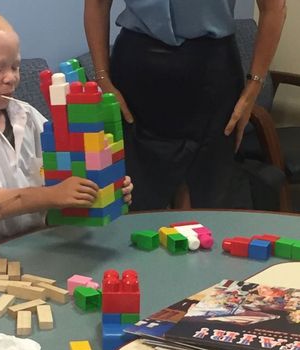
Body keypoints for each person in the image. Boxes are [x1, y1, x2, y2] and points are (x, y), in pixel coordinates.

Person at [0, 5, 133, 257]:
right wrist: (53, 196)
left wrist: (104, 186)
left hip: (42, 243)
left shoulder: (26, 114)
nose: (11, 77)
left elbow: (64, 168)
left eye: (15, 67)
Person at [84, 0, 286, 210]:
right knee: (136, 199)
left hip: (212, 78)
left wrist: (253, 87)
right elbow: (97, 4)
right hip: (136, 78)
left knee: (205, 201)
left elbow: (274, 8)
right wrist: (102, 78)